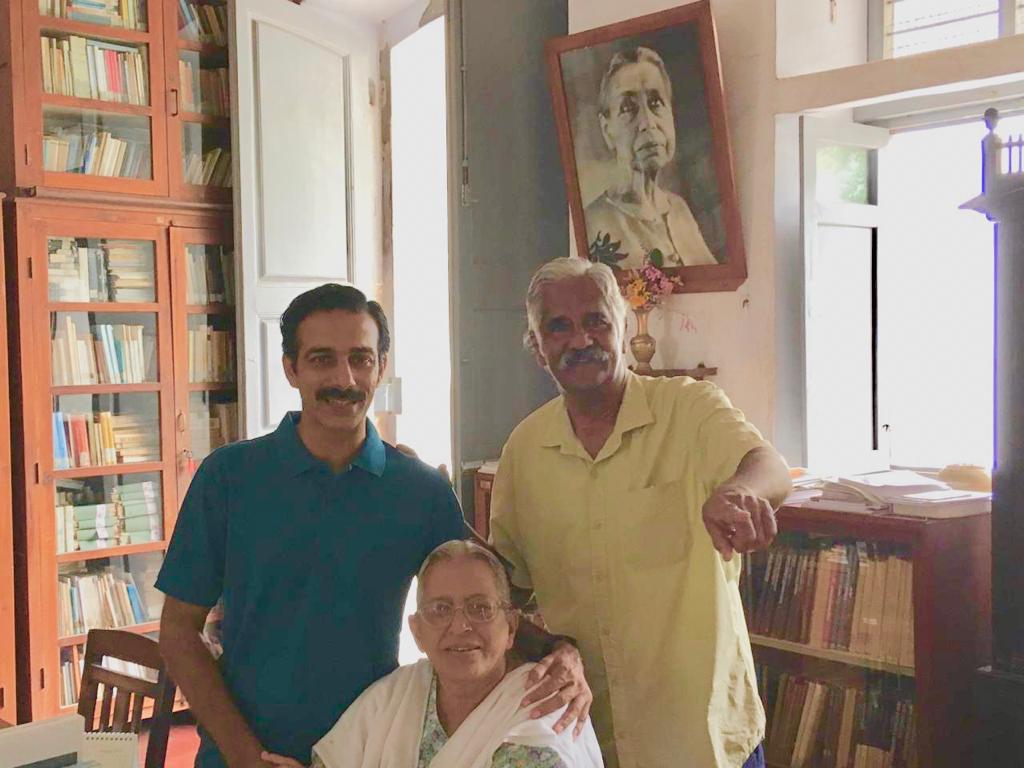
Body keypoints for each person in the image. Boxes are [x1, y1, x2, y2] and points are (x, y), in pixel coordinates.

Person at [156, 284, 591, 768]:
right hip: (242, 756)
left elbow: (483, 608)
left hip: (369, 752)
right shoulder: (228, 478)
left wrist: (560, 652)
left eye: (360, 359)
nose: (344, 379)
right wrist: (246, 756)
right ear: (291, 368)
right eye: (322, 359)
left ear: (381, 367)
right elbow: (178, 631)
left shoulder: (419, 490)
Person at [488, 258, 792, 768]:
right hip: (587, 741)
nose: (581, 339)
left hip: (702, 740)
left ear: (623, 327)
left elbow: (769, 466)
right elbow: (507, 588)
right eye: (558, 327)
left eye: (596, 320)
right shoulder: (524, 450)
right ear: (538, 348)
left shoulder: (688, 408)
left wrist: (741, 492)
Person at [261, 541, 604, 768]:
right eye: (440, 609)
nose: (461, 626)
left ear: (511, 627)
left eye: (480, 608)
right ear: (417, 631)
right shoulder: (395, 697)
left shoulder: (546, 705)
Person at [583, 46, 718, 269]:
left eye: (656, 103)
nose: (648, 123)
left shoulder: (679, 208)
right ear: (607, 130)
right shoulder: (593, 222)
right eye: (628, 108)